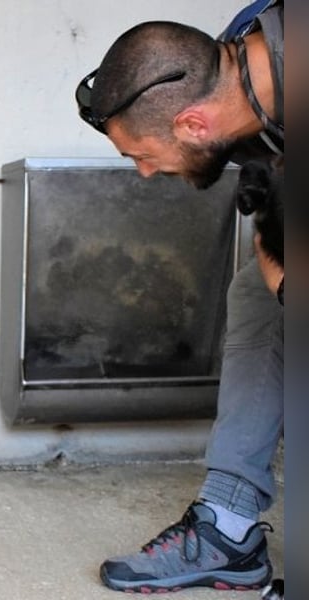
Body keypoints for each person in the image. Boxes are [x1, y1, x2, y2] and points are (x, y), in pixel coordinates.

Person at [74, 0, 284, 593]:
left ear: (191, 125)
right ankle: (228, 527)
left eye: (140, 155)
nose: (143, 172)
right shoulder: (236, 82)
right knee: (258, 295)